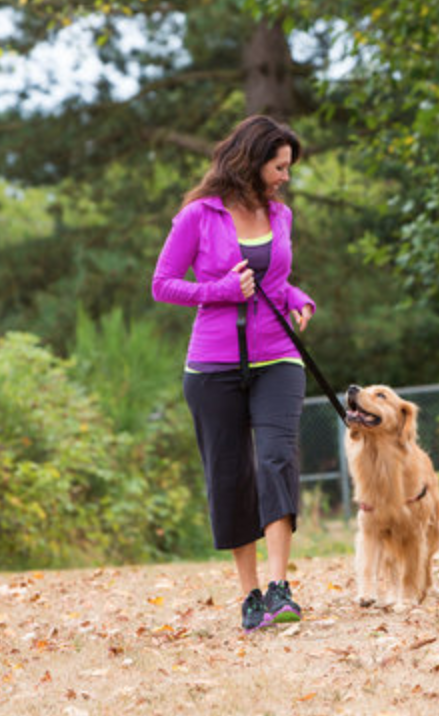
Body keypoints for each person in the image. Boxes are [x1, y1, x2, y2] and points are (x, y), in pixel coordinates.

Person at [151, 115, 315, 632]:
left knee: (276, 459)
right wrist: (216, 290)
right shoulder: (198, 216)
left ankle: (280, 586)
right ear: (253, 160)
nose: (285, 176)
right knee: (231, 475)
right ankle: (249, 596)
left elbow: (278, 280)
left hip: (277, 357)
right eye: (279, 165)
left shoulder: (280, 215)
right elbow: (163, 284)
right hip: (213, 366)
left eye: (288, 167)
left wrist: (300, 299)